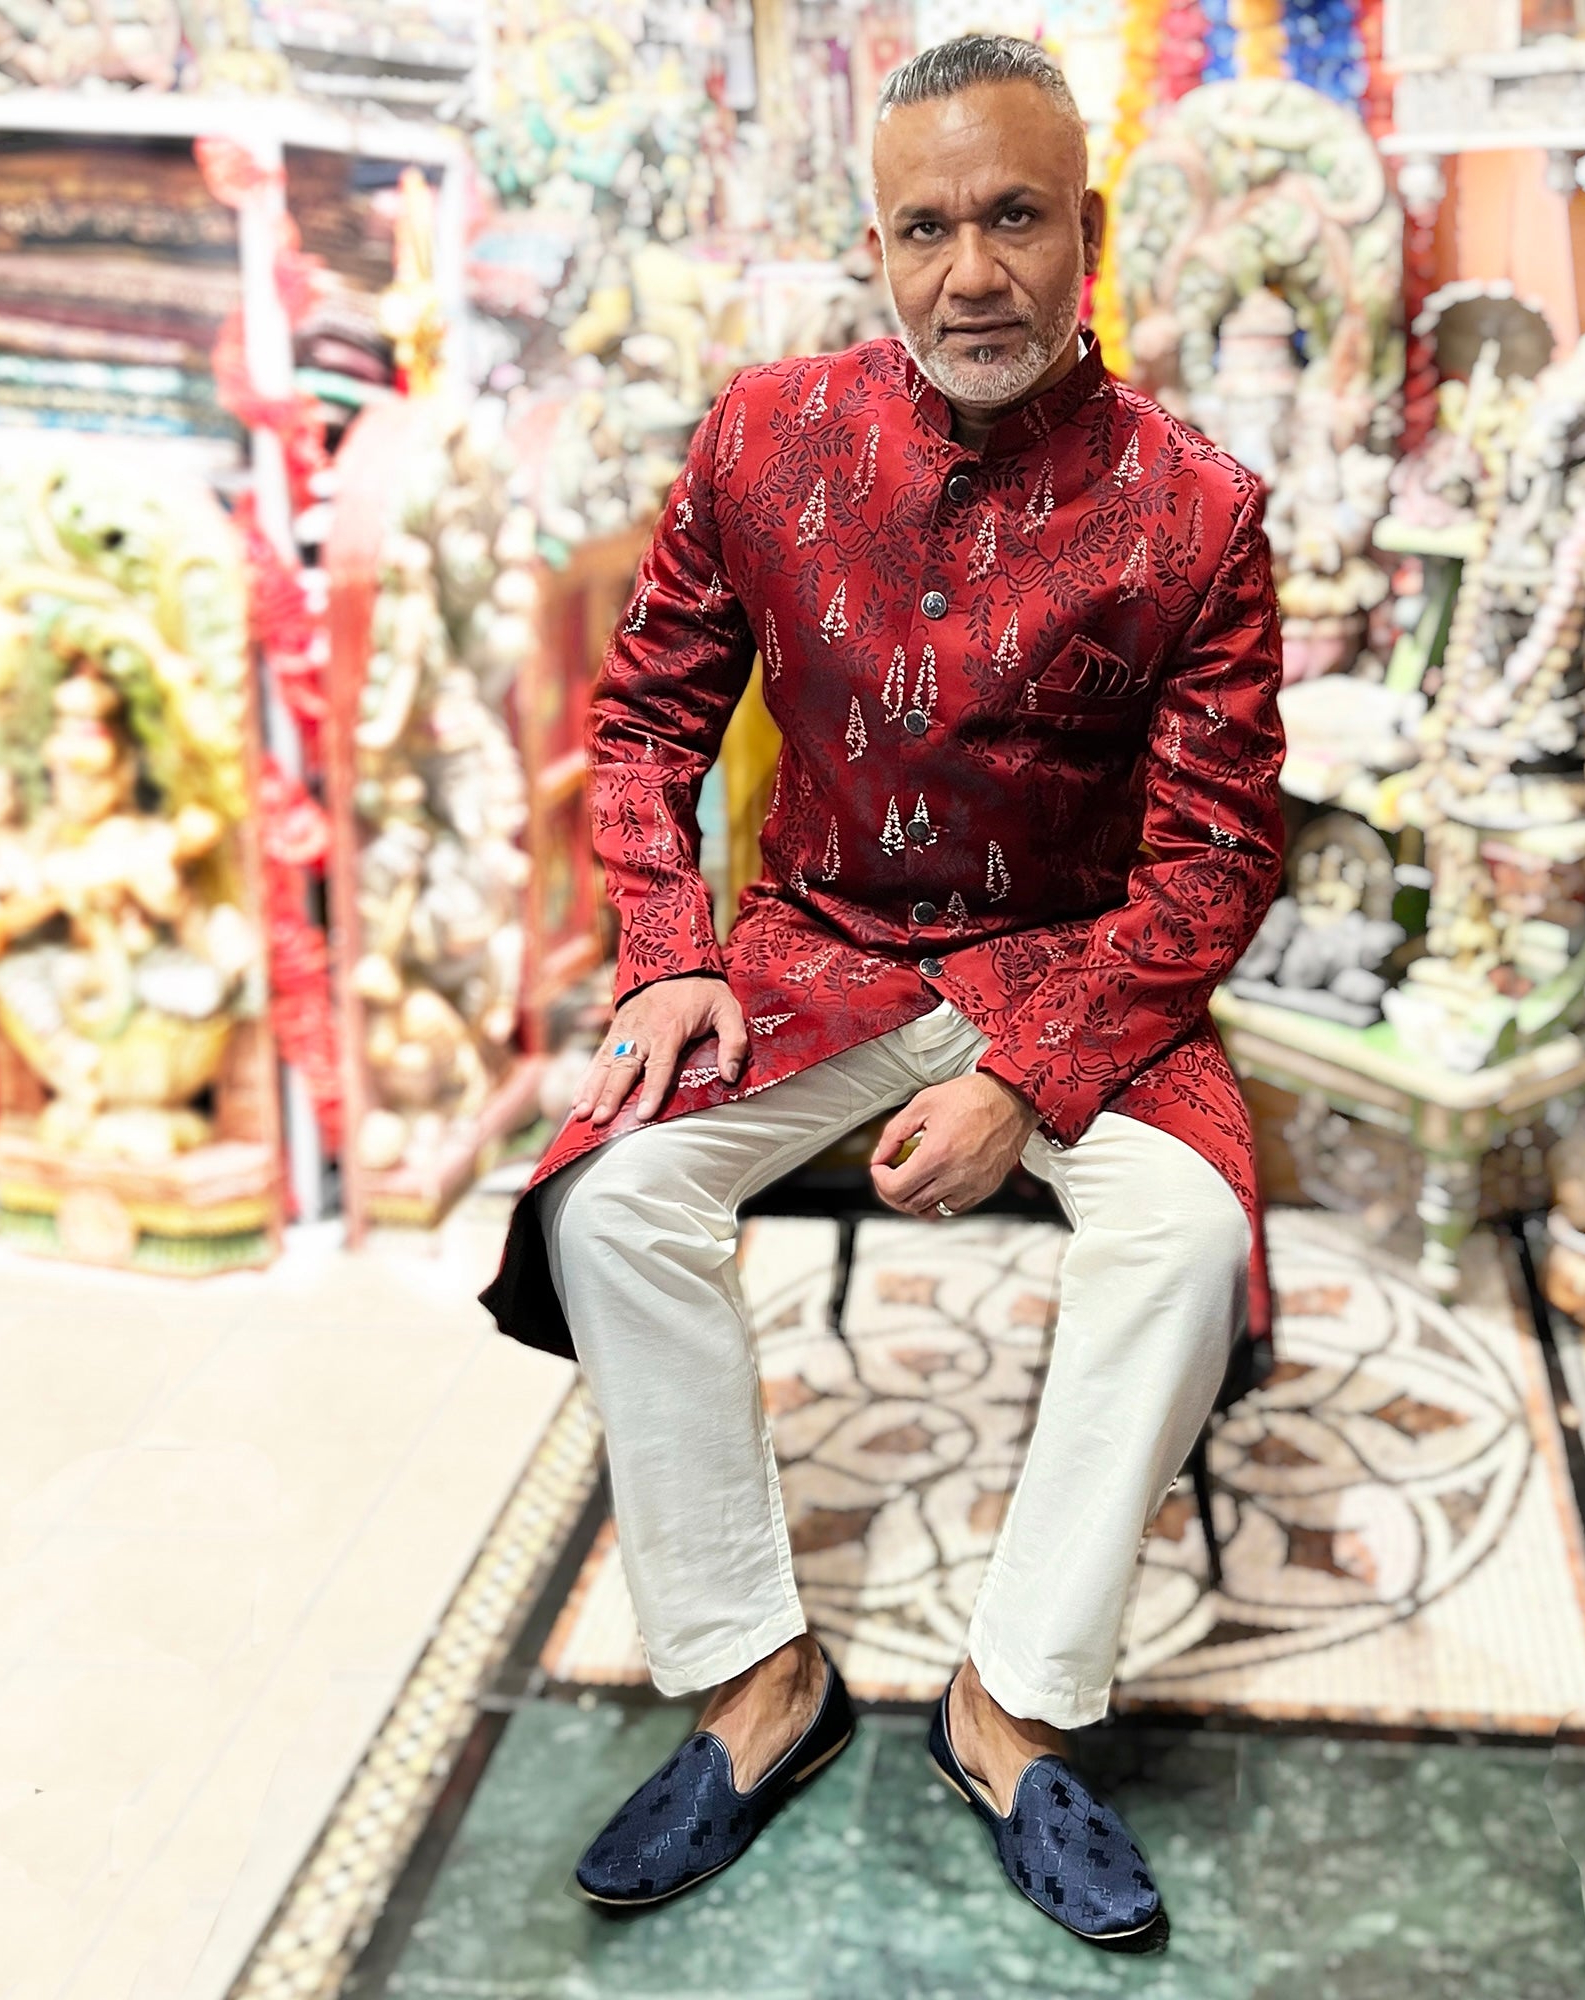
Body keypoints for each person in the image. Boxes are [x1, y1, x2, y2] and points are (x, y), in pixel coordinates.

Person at [480, 33, 1285, 1951]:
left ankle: (1008, 1715)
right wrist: (669, 950)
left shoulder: (1199, 507)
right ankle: (763, 1689)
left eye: (1013, 217)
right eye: (926, 228)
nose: (970, 272)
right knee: (609, 1198)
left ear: (1085, 231)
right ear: (877, 242)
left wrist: (1030, 1068)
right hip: (815, 950)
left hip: (1084, 966)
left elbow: (1217, 855)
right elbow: (642, 720)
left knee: (1181, 1238)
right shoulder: (763, 437)